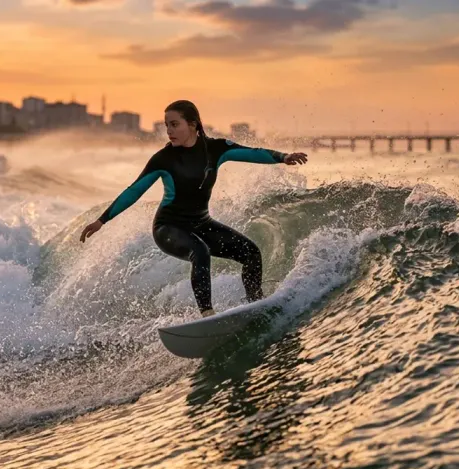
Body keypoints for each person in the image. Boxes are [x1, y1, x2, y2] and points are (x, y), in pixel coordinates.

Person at [79, 100, 308, 317]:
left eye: (174, 124)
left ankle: (255, 304)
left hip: (201, 222)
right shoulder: (163, 159)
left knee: (251, 253)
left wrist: (283, 157)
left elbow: (251, 152)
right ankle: (207, 314)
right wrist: (102, 220)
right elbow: (134, 191)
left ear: (193, 124)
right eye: (167, 125)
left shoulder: (215, 149)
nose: (169, 130)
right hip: (168, 227)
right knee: (199, 251)